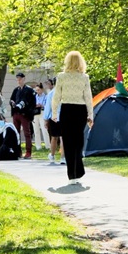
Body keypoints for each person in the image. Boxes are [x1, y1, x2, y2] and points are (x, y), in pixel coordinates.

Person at [49, 51, 94, 186]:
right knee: (78, 141)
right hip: (80, 110)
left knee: (68, 142)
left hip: (67, 110)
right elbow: (88, 97)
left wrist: (54, 113)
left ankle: (72, 175)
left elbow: (56, 96)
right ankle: (78, 171)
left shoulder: (62, 77)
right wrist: (90, 115)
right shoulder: (84, 77)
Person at [9, 72, 38, 159]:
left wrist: (28, 112)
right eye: (17, 79)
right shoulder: (16, 90)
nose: (19, 81)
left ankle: (28, 152)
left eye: (20, 79)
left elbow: (32, 103)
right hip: (16, 114)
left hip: (25, 114)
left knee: (27, 133)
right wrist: (12, 104)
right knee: (16, 133)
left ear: (24, 79)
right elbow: (11, 100)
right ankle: (18, 151)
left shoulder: (29, 90)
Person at [43, 77, 63, 165]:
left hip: (53, 117)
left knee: (54, 137)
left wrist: (46, 119)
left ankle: (52, 155)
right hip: (63, 117)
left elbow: (48, 107)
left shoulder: (51, 93)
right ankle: (63, 158)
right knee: (63, 138)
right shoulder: (64, 93)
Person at [33, 81, 50, 151]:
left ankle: (48, 146)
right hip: (35, 113)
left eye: (38, 90)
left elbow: (47, 105)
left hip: (42, 112)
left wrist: (41, 105)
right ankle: (38, 146)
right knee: (36, 130)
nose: (37, 91)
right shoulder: (34, 97)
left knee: (44, 129)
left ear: (42, 89)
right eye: (36, 90)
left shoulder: (45, 96)